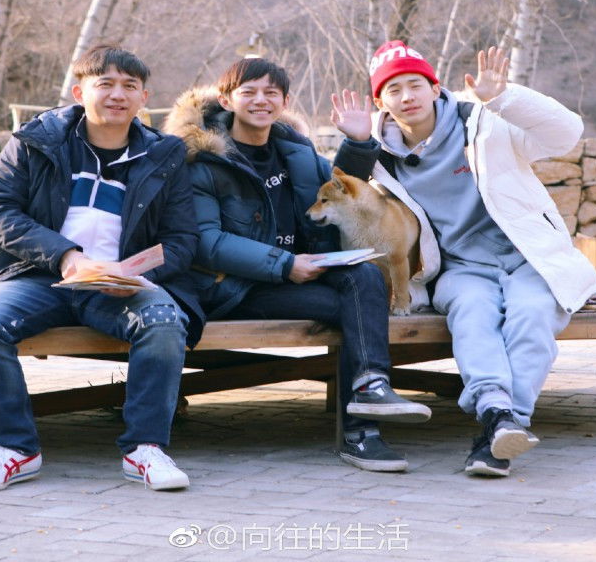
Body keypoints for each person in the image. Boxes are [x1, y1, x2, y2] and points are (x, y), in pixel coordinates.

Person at [0, 45, 202, 492]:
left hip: (122, 282)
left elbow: (183, 239)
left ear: (144, 98)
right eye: (104, 84)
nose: (117, 95)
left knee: (164, 321)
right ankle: (15, 448)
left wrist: (136, 275)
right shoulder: (36, 140)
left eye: (129, 86)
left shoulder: (164, 155)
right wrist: (66, 256)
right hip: (35, 274)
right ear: (79, 92)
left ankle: (145, 448)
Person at [332, 40, 596, 478]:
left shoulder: (485, 121)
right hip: (460, 267)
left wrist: (505, 97)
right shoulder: (382, 156)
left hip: (529, 257)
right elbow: (345, 191)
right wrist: (357, 142)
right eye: (394, 89)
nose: (408, 96)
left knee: (532, 314)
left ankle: (503, 422)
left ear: (435, 87)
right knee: (473, 316)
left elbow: (566, 133)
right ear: (380, 102)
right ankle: (498, 418)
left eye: (416, 84)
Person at [163, 57, 431, 472]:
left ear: (284, 101)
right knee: (358, 306)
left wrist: (359, 142)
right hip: (234, 286)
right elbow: (207, 243)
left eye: (271, 92)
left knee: (364, 277)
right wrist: (284, 263)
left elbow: (338, 192)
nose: (261, 100)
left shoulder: (296, 150)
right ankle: (362, 431)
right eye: (249, 92)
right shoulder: (203, 160)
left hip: (296, 275)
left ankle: (371, 388)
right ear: (226, 100)